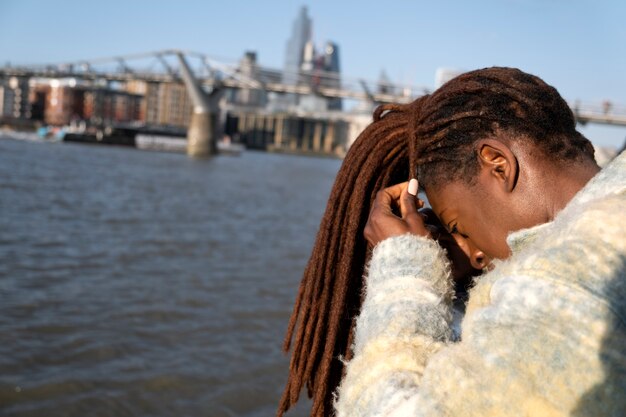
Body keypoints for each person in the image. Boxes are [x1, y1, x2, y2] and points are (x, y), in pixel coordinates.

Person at [277, 67, 626, 417]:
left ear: (498, 164)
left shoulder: (573, 279)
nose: (476, 254)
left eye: (460, 226)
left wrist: (406, 268)